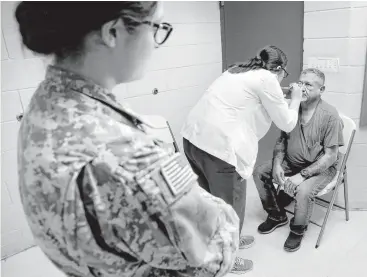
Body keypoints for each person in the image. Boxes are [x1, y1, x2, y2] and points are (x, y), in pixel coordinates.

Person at [16, 2, 243, 276]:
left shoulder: (46, 104)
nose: (156, 44)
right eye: (156, 27)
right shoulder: (129, 157)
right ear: (113, 31)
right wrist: (215, 208)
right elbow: (213, 258)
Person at [181, 45, 304, 272]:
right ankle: (227, 259)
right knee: (230, 208)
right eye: (283, 74)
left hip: (194, 139)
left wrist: (283, 92)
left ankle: (220, 244)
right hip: (219, 151)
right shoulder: (266, 78)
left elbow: (255, 96)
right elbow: (287, 122)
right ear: (278, 69)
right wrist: (295, 98)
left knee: (210, 201)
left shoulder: (237, 70)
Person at [253, 68, 344, 252]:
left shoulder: (330, 116)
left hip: (320, 167)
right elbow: (281, 141)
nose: (302, 88)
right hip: (292, 161)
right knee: (259, 172)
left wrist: (303, 175)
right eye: (300, 82)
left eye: (308, 84)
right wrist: (278, 163)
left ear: (322, 90)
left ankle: (298, 228)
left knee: (303, 191)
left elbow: (331, 156)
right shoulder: (292, 108)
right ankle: (277, 214)